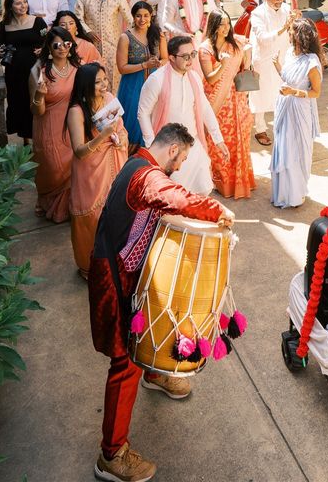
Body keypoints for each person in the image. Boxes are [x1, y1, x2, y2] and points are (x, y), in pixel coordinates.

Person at [88, 124, 233, 482]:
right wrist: (216, 210)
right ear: (171, 151)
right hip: (114, 276)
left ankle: (152, 370)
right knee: (123, 363)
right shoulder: (147, 176)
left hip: (126, 269)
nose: (180, 166)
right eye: (181, 159)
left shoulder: (140, 161)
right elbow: (176, 197)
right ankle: (112, 455)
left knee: (145, 328)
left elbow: (171, 193)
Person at [137, 34, 230, 195]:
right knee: (174, 196)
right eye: (185, 56)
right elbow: (143, 113)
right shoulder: (156, 80)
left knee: (204, 187)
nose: (190, 60)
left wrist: (218, 139)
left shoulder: (193, 77)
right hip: (169, 149)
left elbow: (205, 108)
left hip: (192, 144)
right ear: (171, 57)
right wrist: (153, 145)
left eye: (192, 54)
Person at [66, 63, 128, 278]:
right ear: (85, 85)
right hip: (90, 170)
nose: (104, 85)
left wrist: (121, 139)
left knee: (117, 213)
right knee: (93, 216)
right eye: (98, 82)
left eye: (105, 79)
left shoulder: (110, 98)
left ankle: (114, 263)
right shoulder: (76, 112)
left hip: (115, 161)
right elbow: (79, 151)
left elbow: (121, 129)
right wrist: (103, 135)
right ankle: (90, 267)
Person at [198, 10, 254, 199]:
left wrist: (246, 62)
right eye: (221, 24)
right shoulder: (205, 49)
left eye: (227, 24)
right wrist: (222, 65)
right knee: (218, 141)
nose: (225, 28)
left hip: (236, 99)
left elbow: (248, 46)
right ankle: (221, 182)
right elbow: (211, 80)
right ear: (213, 25)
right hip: (217, 102)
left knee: (239, 138)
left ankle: (239, 181)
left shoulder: (235, 43)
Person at [29, 26, 81, 221]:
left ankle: (69, 207)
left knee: (73, 167)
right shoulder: (40, 71)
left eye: (66, 43)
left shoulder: (78, 68)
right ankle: (46, 200)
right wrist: (39, 96)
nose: (62, 48)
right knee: (52, 169)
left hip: (73, 124)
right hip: (49, 125)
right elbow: (36, 110)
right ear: (49, 48)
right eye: (56, 45)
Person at [270, 19, 322, 208]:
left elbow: (316, 92)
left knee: (296, 151)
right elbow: (289, 78)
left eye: (291, 31)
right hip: (284, 107)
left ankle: (295, 195)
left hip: (300, 112)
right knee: (283, 149)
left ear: (299, 36)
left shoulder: (312, 63)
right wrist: (277, 66)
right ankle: (283, 194)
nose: (288, 34)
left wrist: (293, 93)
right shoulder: (291, 53)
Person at [0, 0, 47, 143]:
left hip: (34, 70)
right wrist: (0, 51)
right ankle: (25, 138)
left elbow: (47, 43)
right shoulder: (4, 25)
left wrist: (43, 49)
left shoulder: (38, 22)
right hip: (14, 73)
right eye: (18, 3)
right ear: (10, 7)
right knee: (18, 102)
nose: (23, 6)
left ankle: (37, 134)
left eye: (25, 2)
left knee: (34, 101)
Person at [116, 1, 167, 149]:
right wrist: (144, 65)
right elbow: (122, 68)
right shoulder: (125, 38)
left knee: (155, 118)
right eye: (138, 16)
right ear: (133, 17)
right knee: (134, 121)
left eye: (146, 15)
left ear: (151, 16)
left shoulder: (159, 35)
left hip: (155, 82)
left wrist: (157, 64)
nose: (142, 19)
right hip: (132, 85)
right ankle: (134, 159)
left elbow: (166, 58)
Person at [248, 0, 293, 146]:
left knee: (281, 93)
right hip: (264, 60)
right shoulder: (257, 13)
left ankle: (281, 128)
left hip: (284, 58)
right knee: (260, 95)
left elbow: (293, 32)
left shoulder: (287, 10)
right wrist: (284, 28)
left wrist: (295, 23)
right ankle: (260, 129)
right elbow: (263, 39)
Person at [75, 0, 132, 94]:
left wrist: (128, 40)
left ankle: (114, 109)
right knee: (92, 78)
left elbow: (130, 20)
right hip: (91, 46)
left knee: (114, 79)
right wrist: (87, 31)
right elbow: (78, 18)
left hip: (113, 46)